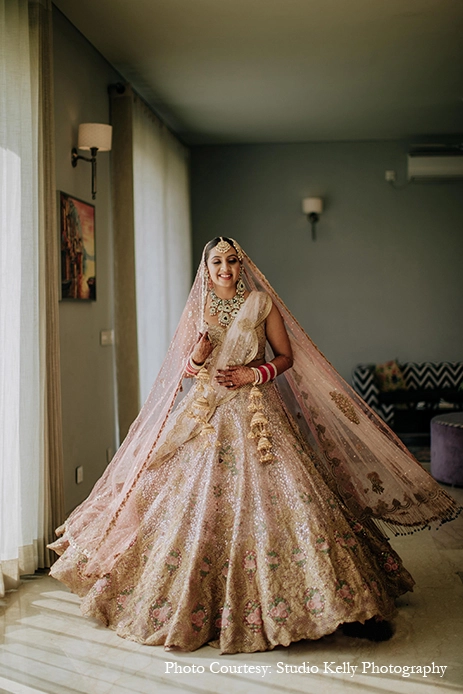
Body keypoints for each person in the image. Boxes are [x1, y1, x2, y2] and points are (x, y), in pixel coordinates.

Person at [49, 237, 461, 654]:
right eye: (217, 262)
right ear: (207, 268)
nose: (225, 268)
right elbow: (185, 372)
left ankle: (337, 600)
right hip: (207, 414)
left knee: (295, 494)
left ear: (241, 266)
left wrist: (253, 374)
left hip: (257, 412)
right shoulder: (199, 308)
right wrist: (198, 355)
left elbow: (285, 357)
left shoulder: (261, 304)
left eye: (232, 261)